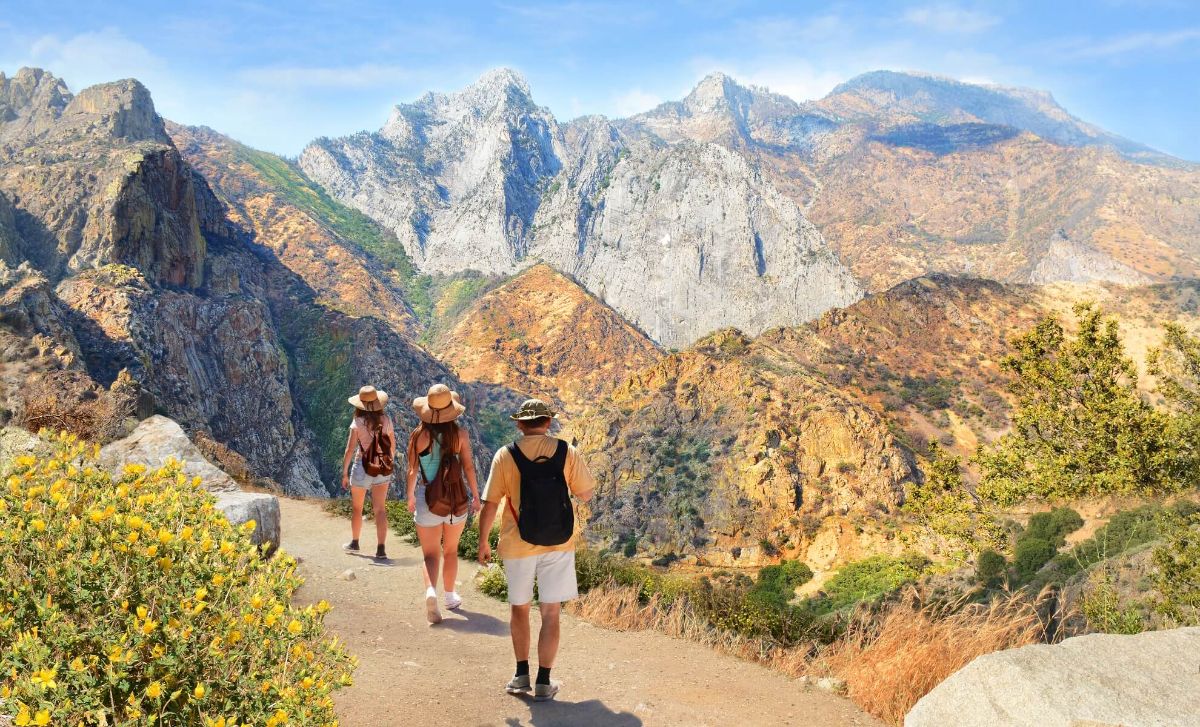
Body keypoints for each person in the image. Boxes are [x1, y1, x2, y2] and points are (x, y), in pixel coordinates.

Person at [476, 398, 595, 702]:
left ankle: (520, 675)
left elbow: (490, 503)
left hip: (517, 544)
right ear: (548, 422)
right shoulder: (566, 451)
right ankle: (544, 680)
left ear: (519, 423)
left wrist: (483, 541)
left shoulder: (505, 455)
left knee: (519, 609)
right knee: (551, 612)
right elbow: (585, 494)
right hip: (558, 542)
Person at [407, 383, 481, 624]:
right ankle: (449, 596)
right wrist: (476, 496)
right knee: (450, 550)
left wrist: (409, 497)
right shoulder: (460, 435)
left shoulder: (419, 436)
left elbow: (412, 470)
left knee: (430, 554)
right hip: (455, 500)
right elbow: (468, 466)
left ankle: (431, 591)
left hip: (427, 497)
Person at [340, 385, 396, 560]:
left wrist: (344, 472)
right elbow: (392, 446)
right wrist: (387, 462)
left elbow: (350, 449)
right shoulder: (386, 420)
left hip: (361, 467)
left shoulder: (357, 423)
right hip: (382, 468)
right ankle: (381, 549)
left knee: (357, 508)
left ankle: (355, 543)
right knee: (380, 510)